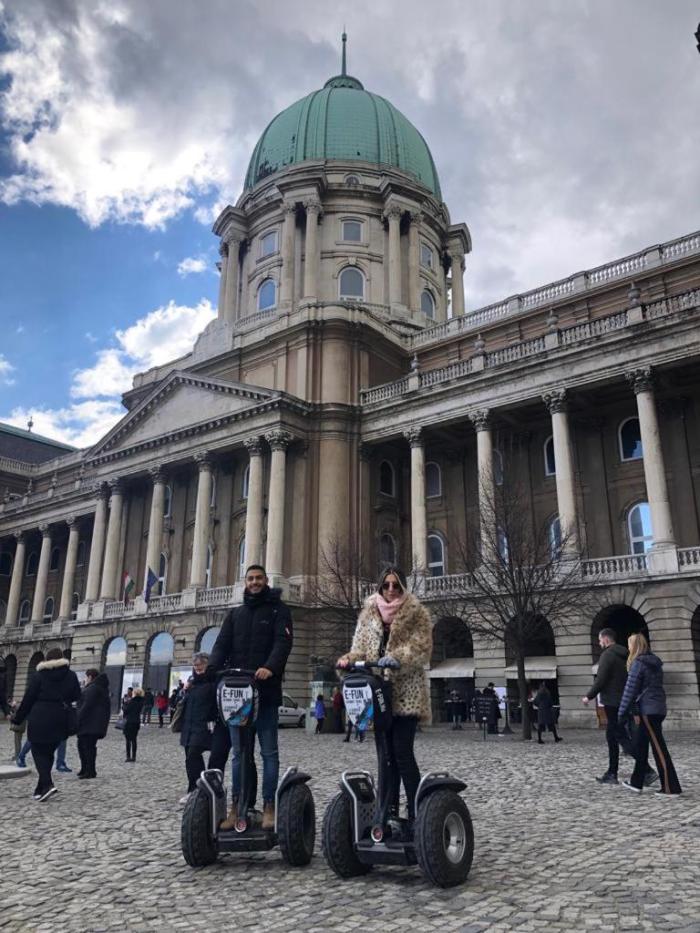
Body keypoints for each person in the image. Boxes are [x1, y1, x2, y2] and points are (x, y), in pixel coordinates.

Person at [337, 566, 432, 828]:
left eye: (396, 585)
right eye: (386, 585)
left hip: (406, 694)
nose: (391, 589)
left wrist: (398, 658)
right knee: (385, 755)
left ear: (403, 587)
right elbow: (359, 649)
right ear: (380, 587)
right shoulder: (368, 613)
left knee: (402, 752)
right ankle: (388, 810)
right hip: (378, 695)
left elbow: (422, 647)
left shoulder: (416, 613)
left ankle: (416, 810)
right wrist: (347, 660)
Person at [208, 564, 293, 831]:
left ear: (266, 581)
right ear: (245, 582)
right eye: (250, 579)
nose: (254, 582)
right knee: (239, 754)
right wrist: (212, 667)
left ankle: (269, 806)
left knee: (269, 752)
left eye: (258, 578)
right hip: (238, 696)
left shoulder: (279, 610)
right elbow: (221, 645)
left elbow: (283, 643)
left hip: (265, 692)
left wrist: (270, 667)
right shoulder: (235, 614)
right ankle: (238, 806)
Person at [582, 627, 656, 787]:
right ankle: (612, 772)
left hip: (612, 702)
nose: (599, 643)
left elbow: (601, 679)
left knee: (618, 736)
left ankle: (645, 769)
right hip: (625, 701)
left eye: (600, 640)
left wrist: (589, 696)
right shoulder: (626, 654)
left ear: (606, 639)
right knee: (614, 736)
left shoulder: (607, 655)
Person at [11, 647, 81, 801]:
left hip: (40, 717)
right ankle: (40, 789)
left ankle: (48, 784)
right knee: (48, 753)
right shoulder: (71, 675)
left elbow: (28, 699)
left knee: (37, 751)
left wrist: (17, 718)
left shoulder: (39, 675)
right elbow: (77, 695)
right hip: (61, 717)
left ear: (47, 659)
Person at [618, 634, 682, 796]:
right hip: (657, 707)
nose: (628, 648)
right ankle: (636, 782)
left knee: (659, 749)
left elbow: (630, 690)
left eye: (629, 644)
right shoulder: (655, 663)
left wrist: (621, 713)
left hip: (647, 710)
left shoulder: (638, 664)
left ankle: (670, 787)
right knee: (642, 746)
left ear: (634, 646)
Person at [179, 653, 218, 805]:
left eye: (201, 666)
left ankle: (198, 788)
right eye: (195, 666)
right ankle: (197, 788)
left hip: (204, 726)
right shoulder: (192, 683)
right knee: (190, 758)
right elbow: (181, 703)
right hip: (189, 726)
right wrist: (184, 691)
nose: (198, 668)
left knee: (193, 755)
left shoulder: (213, 683)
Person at [76, 668, 111, 779]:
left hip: (90, 723)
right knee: (83, 746)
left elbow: (86, 705)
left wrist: (78, 718)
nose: (85, 679)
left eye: (86, 677)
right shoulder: (98, 688)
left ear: (90, 677)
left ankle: (90, 770)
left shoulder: (93, 688)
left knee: (88, 747)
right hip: (92, 723)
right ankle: (85, 768)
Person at [122, 688, 144, 762]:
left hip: (129, 722)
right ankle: (134, 756)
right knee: (134, 739)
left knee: (128, 740)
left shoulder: (131, 701)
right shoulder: (141, 701)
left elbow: (126, 710)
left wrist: (124, 704)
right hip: (136, 722)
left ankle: (128, 756)